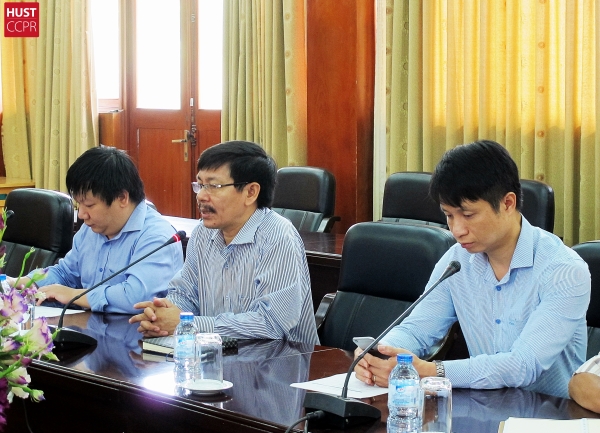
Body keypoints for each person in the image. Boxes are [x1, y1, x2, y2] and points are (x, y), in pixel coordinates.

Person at [354, 140, 590, 398]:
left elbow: (523, 365)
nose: (457, 230)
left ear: (508, 203)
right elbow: (417, 330)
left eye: (468, 215)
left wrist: (433, 371)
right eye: (449, 215)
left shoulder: (565, 271)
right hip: (484, 407)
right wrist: (381, 353)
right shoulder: (457, 261)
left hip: (549, 413)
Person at [129, 140, 319, 344]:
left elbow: (271, 324)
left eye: (214, 186)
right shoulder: (202, 234)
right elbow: (185, 294)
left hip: (280, 358)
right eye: (200, 185)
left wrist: (188, 324)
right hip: (218, 354)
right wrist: (162, 315)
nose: (201, 196)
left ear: (251, 192)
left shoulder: (277, 236)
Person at [11, 146, 184, 314]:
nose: (81, 214)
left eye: (89, 205)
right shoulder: (91, 229)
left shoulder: (158, 237)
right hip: (90, 326)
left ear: (122, 198)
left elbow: (136, 297)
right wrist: (25, 283)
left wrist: (75, 295)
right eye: (79, 204)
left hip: (135, 331)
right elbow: (65, 273)